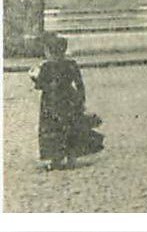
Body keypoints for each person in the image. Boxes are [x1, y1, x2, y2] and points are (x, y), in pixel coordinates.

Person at [33, 33, 103, 170]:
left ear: (49, 51)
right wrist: (81, 100)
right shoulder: (71, 64)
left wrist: (34, 77)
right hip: (69, 99)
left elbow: (39, 84)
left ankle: (56, 159)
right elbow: (79, 84)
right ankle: (71, 157)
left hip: (51, 101)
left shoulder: (46, 67)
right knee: (71, 127)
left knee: (53, 129)